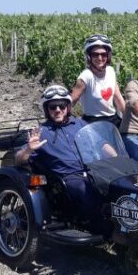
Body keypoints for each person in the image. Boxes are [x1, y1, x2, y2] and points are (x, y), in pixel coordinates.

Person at [15, 84, 100, 221]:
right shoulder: (41, 132)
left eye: (61, 106)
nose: (58, 110)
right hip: (68, 178)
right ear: (46, 110)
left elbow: (100, 143)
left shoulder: (80, 124)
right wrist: (29, 148)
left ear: (68, 107)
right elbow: (18, 160)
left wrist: (117, 156)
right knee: (86, 189)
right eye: (53, 107)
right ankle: (98, 226)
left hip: (93, 171)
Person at [69, 34, 126, 125]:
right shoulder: (86, 76)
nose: (100, 58)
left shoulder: (110, 71)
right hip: (92, 121)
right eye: (95, 55)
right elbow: (71, 102)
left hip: (112, 119)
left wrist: (129, 119)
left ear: (108, 56)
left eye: (103, 54)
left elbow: (118, 97)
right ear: (89, 57)